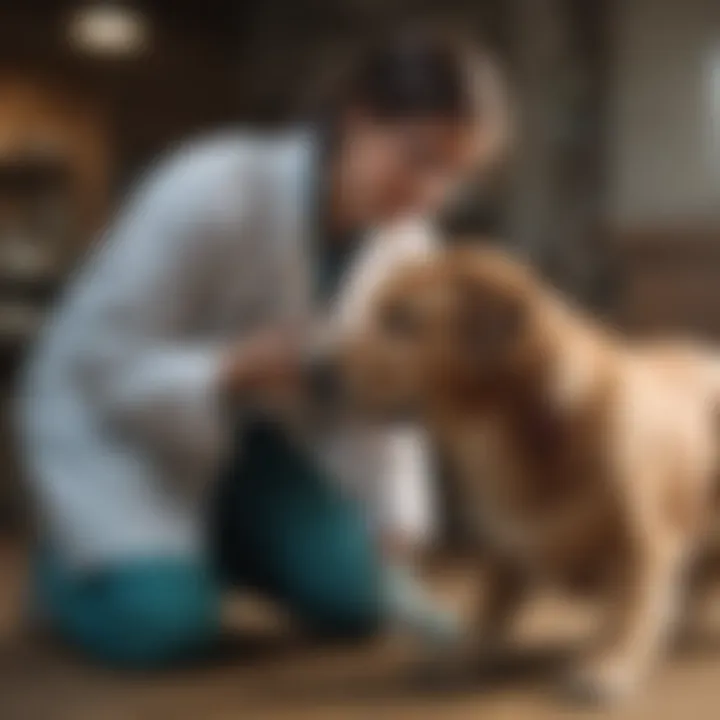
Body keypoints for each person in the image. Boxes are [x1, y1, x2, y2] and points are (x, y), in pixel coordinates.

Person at [17, 29, 508, 667]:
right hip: (122, 430)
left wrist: (395, 521)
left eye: (453, 174)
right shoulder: (211, 186)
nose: (428, 192)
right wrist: (224, 371)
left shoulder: (409, 244)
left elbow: (387, 398)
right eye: (415, 156)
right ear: (357, 119)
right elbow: (95, 364)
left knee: (357, 604)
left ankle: (193, 552)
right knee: (161, 629)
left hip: (259, 442)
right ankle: (70, 576)